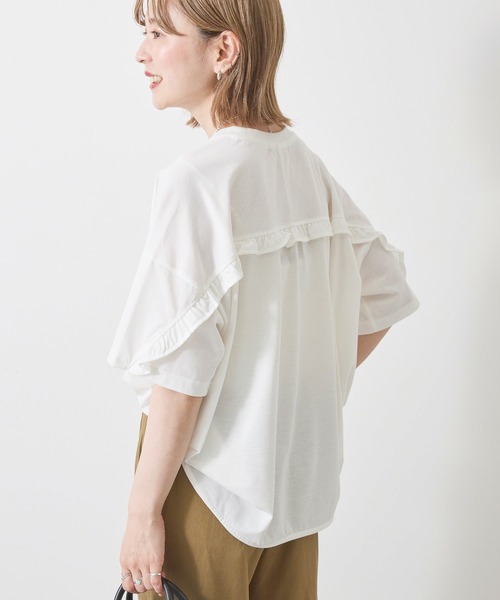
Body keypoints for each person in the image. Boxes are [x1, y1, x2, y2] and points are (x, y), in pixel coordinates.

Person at [106, 0, 420, 598]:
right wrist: (282, 395)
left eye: (158, 33)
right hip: (290, 495)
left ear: (223, 50)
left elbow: (180, 375)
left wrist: (142, 513)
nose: (142, 52)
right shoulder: (303, 165)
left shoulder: (197, 182)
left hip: (205, 489)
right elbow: (384, 288)